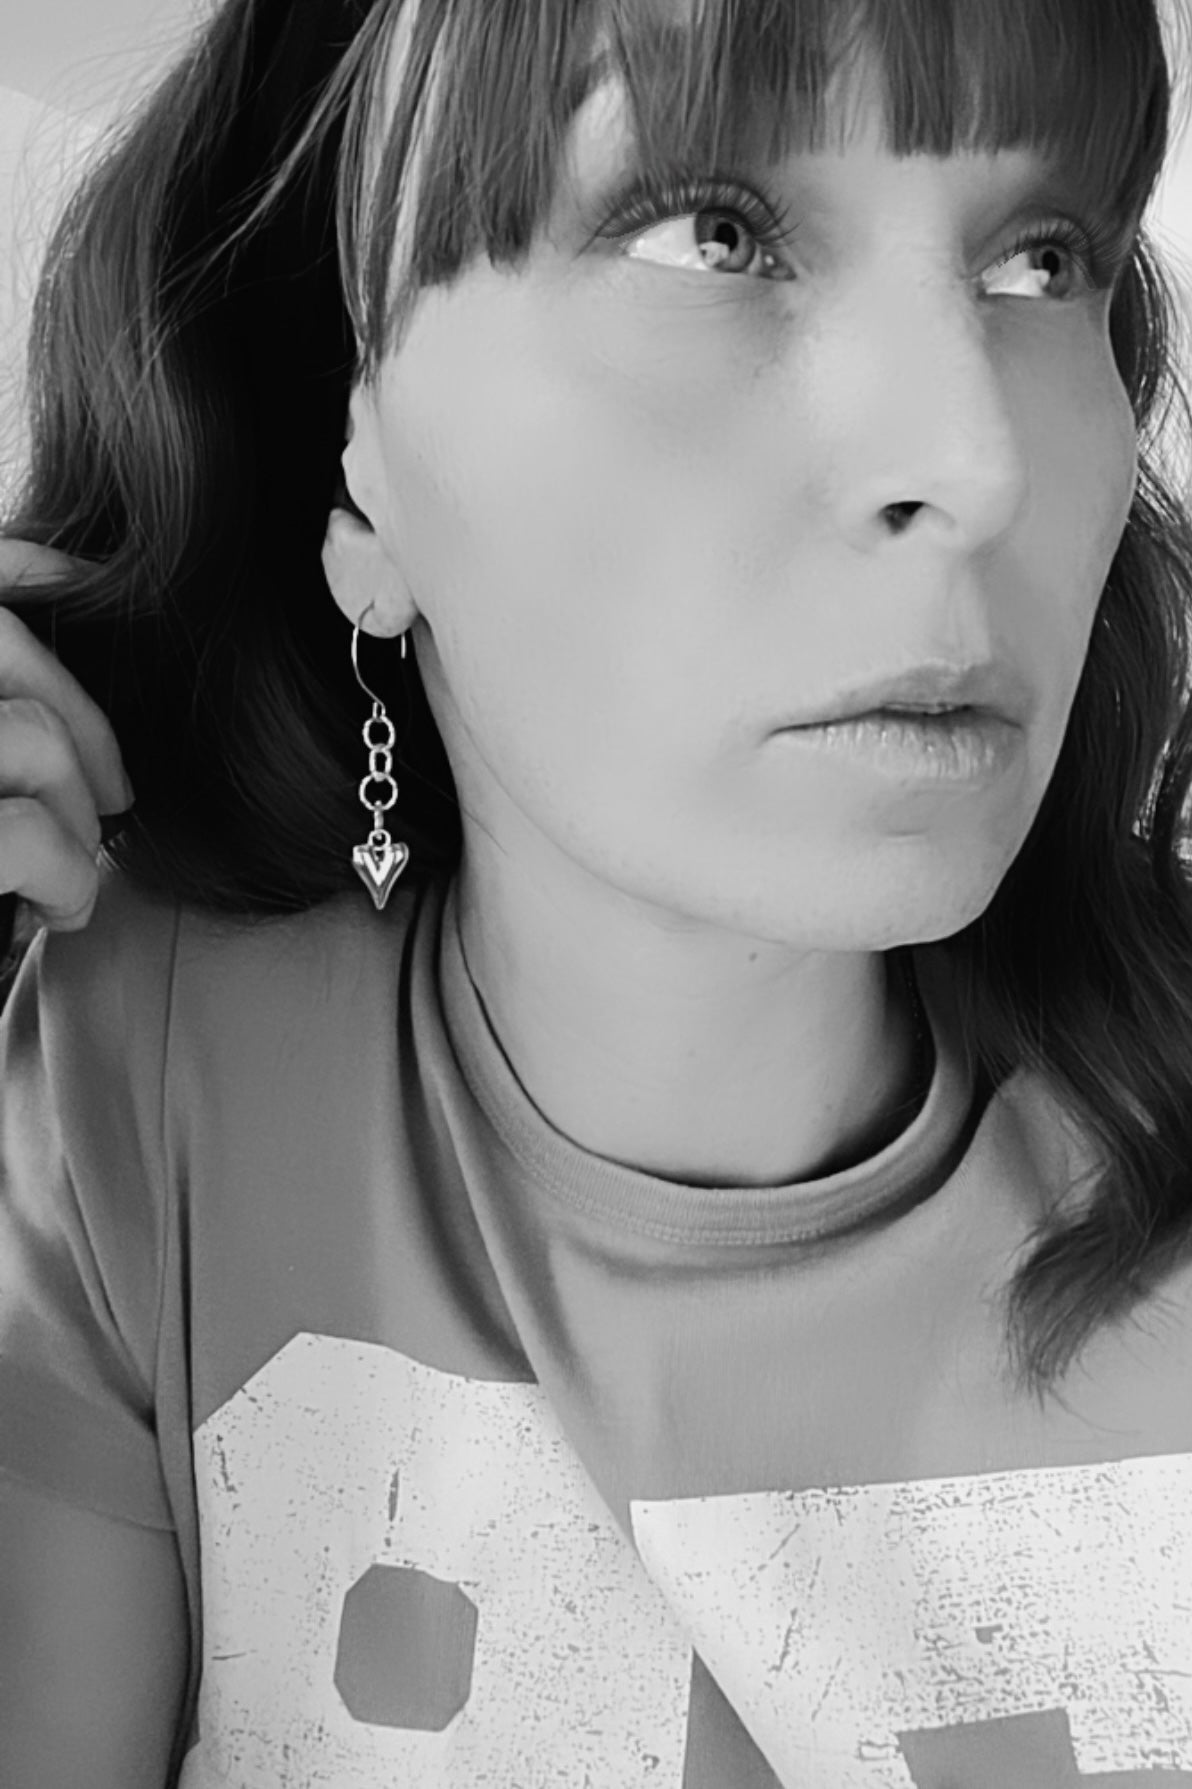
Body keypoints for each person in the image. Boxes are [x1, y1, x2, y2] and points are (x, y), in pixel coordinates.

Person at [2, 0, 1192, 1781]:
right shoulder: (132, 1088)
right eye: (715, 231)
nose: (977, 460)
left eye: (1045, 259)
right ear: (357, 458)